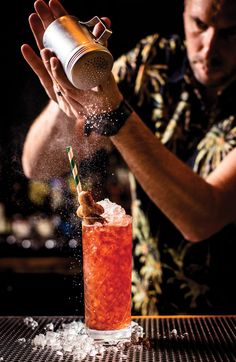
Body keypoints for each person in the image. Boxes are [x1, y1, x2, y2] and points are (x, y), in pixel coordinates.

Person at [21, 0, 236, 315]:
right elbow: (38, 165)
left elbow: (202, 219)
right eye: (200, 25)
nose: (209, 45)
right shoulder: (150, 62)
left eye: (230, 32)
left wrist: (113, 112)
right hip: (144, 318)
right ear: (184, 14)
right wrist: (69, 85)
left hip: (225, 325)